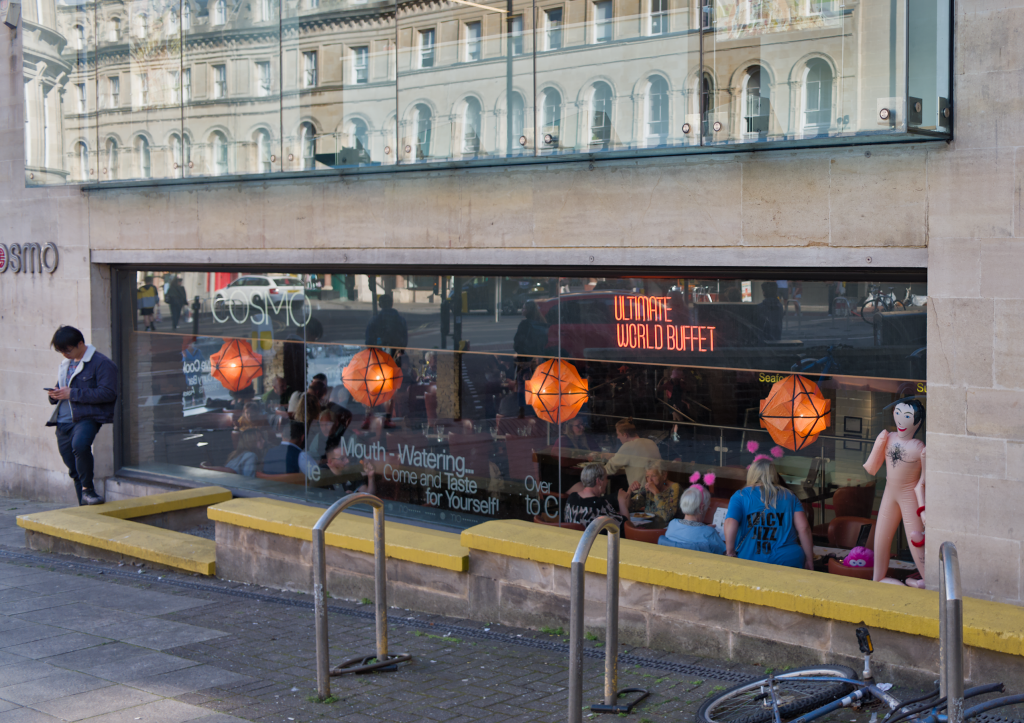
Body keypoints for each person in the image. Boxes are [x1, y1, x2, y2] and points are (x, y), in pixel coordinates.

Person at [46, 326, 118, 506]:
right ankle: (85, 505)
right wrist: (54, 395)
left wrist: (73, 394)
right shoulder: (66, 364)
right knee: (74, 469)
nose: (64, 354)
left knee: (80, 445)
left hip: (86, 417)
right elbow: (63, 388)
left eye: (67, 350)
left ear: (80, 343)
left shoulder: (101, 363)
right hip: (62, 421)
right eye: (61, 351)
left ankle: (89, 489)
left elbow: (108, 393)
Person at [724, 458, 814, 570]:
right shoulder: (789, 496)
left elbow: (730, 522)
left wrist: (730, 551)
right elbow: (804, 528)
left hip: (750, 559)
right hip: (788, 559)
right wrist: (810, 560)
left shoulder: (740, 496)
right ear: (773, 474)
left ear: (751, 474)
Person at [659, 484, 726, 554]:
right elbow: (726, 554)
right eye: (707, 508)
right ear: (702, 508)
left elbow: (689, 533)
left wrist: (706, 529)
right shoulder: (709, 533)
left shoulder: (672, 524)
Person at [564, 463, 629, 528]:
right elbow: (624, 526)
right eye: (606, 478)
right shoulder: (600, 505)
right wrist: (621, 501)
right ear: (599, 481)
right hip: (594, 538)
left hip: (573, 537)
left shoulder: (572, 498)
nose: (607, 481)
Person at [604, 418, 662, 488]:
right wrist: (613, 455)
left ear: (625, 435)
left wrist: (591, 470)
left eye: (618, 434)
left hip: (640, 491)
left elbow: (609, 469)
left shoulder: (628, 446)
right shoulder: (651, 442)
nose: (618, 437)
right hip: (657, 488)